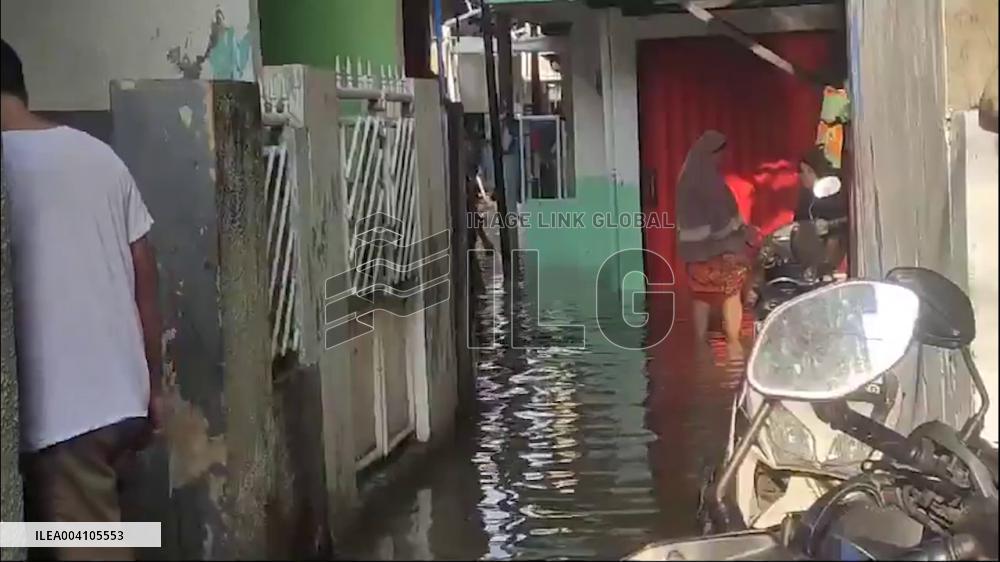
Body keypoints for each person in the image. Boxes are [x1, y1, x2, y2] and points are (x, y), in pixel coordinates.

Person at [2, 39, 162, 560]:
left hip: (66, 419)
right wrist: (153, 387)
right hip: (120, 403)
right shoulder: (99, 156)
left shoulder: (9, 164)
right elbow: (145, 278)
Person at [676, 131, 754, 361]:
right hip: (718, 251)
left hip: (693, 255)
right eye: (721, 154)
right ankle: (734, 350)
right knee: (732, 293)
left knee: (700, 296)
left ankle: (700, 353)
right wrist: (742, 235)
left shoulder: (686, 177)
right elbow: (722, 220)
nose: (723, 159)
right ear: (713, 153)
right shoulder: (709, 180)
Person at [795, 147, 848, 275]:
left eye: (801, 173)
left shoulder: (829, 190)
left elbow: (843, 217)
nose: (799, 177)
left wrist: (829, 225)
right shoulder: (806, 198)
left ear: (809, 170)